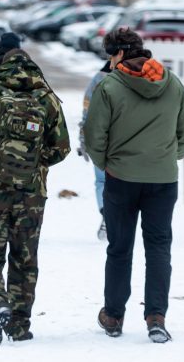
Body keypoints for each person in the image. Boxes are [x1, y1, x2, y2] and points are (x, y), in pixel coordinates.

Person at [83, 28, 184, 344]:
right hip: (163, 179)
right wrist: (169, 157)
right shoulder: (171, 82)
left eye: (111, 54)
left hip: (121, 178)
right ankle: (156, 316)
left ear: (119, 53)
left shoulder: (109, 87)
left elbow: (94, 136)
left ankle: (114, 315)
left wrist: (107, 162)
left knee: (119, 248)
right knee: (159, 248)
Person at [0, 49, 70, 346]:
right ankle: (20, 326)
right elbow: (61, 147)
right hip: (32, 193)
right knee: (24, 257)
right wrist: (34, 163)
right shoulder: (47, 99)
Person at [79, 59, 112, 240]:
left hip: (99, 140)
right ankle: (116, 216)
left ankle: (106, 213)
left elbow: (86, 109)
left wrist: (83, 138)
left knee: (101, 181)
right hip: (125, 142)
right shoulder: (132, 79)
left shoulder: (97, 80)